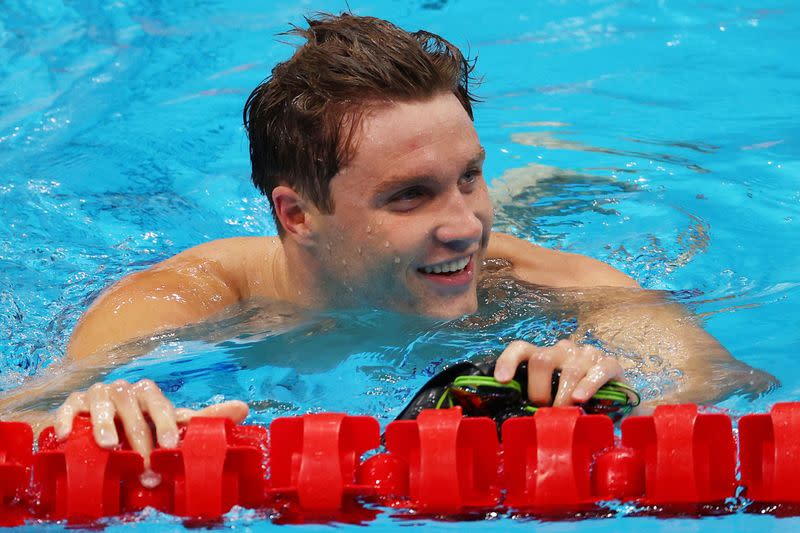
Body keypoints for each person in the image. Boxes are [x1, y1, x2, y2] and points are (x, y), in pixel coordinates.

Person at [0, 13, 775, 487]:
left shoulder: (538, 279)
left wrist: (620, 393)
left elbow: (725, 378)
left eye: (470, 176)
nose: (467, 223)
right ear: (298, 215)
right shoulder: (183, 303)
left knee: (521, 209)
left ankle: (544, 163)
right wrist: (83, 413)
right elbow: (23, 413)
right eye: (409, 195)